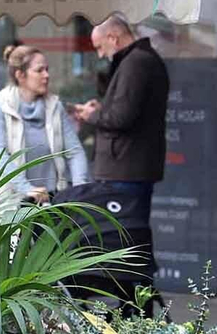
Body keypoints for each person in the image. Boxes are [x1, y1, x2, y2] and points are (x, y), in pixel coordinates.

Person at [73, 15, 170, 203]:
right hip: (128, 167)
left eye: (99, 47)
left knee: (125, 229)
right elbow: (128, 110)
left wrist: (92, 115)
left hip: (125, 169)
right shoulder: (139, 59)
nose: (100, 55)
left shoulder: (135, 62)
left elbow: (121, 118)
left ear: (113, 38)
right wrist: (102, 109)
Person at [0, 44, 89, 207]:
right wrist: (27, 189)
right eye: (39, 70)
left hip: (53, 200)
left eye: (47, 69)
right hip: (12, 202)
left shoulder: (55, 106)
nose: (46, 75)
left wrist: (79, 189)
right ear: (20, 75)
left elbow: (74, 152)